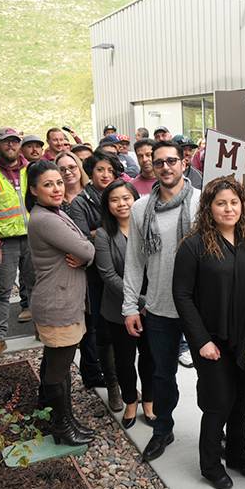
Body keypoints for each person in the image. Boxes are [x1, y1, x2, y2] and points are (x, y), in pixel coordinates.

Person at [173, 177, 245, 489]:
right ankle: (210, 465)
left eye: (234, 202)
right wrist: (201, 341)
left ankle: (237, 453)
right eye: (221, 203)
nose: (229, 208)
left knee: (240, 400)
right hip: (212, 340)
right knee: (218, 403)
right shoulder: (193, 245)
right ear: (209, 208)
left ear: (243, 206)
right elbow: (181, 295)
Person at [123, 140, 200, 462]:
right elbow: (134, 261)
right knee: (162, 376)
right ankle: (162, 430)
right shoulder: (141, 208)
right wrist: (129, 306)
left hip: (199, 308)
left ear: (184, 163)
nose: (166, 167)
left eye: (172, 161)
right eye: (159, 163)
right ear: (152, 167)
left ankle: (216, 434)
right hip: (159, 307)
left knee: (211, 378)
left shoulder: (201, 202)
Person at [26, 160, 95, 446]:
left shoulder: (52, 212)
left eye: (58, 182)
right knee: (58, 367)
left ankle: (60, 419)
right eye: (48, 184)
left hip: (63, 299)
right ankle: (60, 426)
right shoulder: (45, 219)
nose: (56, 188)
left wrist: (83, 253)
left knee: (58, 364)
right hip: (57, 302)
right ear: (33, 190)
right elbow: (86, 247)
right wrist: (86, 252)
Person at [95, 180, 154, 430]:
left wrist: (152, 300)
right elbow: (108, 276)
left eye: (126, 198)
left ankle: (149, 402)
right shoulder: (103, 234)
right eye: (115, 199)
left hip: (153, 307)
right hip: (119, 309)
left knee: (150, 358)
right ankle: (130, 401)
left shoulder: (150, 227)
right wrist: (140, 300)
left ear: (136, 199)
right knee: (124, 359)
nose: (122, 204)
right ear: (107, 205)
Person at [69, 150, 124, 408]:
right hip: (96, 276)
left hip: (125, 269)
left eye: (111, 171)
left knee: (128, 330)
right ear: (90, 172)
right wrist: (110, 230)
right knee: (104, 332)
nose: (106, 175)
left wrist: (101, 231)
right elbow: (81, 238)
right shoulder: (81, 202)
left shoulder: (120, 194)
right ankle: (112, 385)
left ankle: (127, 381)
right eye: (101, 170)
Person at [0, 128, 36, 360]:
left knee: (36, 287)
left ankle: (42, 330)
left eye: (14, 142)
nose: (11, 146)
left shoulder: (30, 169)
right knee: (2, 292)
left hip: (33, 238)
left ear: (19, 145)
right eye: (6, 142)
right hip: (4, 243)